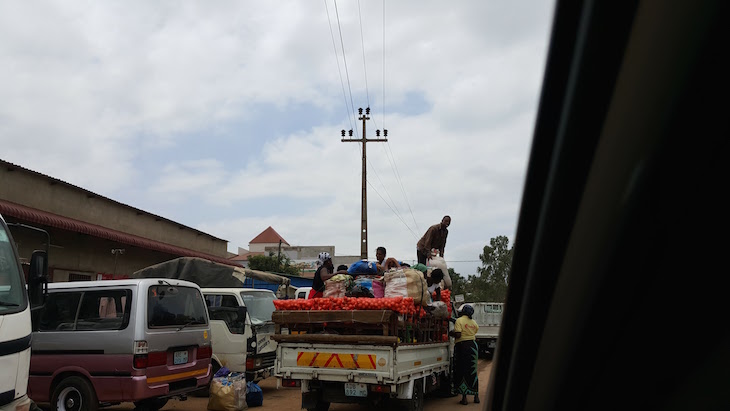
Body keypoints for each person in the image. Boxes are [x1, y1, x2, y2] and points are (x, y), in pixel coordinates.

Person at [449, 304, 480, 405]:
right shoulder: (473, 322)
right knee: (472, 371)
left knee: (462, 370)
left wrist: (451, 333)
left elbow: (458, 334)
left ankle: (464, 398)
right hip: (473, 346)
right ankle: (476, 397)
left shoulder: (459, 320)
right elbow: (474, 330)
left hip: (462, 346)